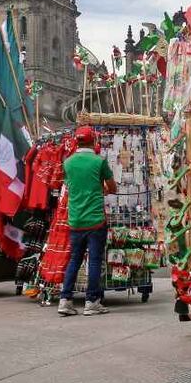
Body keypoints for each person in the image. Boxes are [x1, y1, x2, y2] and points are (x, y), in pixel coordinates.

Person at [59, 126, 117, 317]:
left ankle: (65, 300)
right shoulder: (99, 161)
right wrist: (104, 189)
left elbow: (69, 185)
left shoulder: (67, 163)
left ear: (77, 141)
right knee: (94, 261)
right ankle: (92, 301)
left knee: (74, 259)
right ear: (93, 141)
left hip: (75, 220)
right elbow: (112, 187)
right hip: (95, 220)